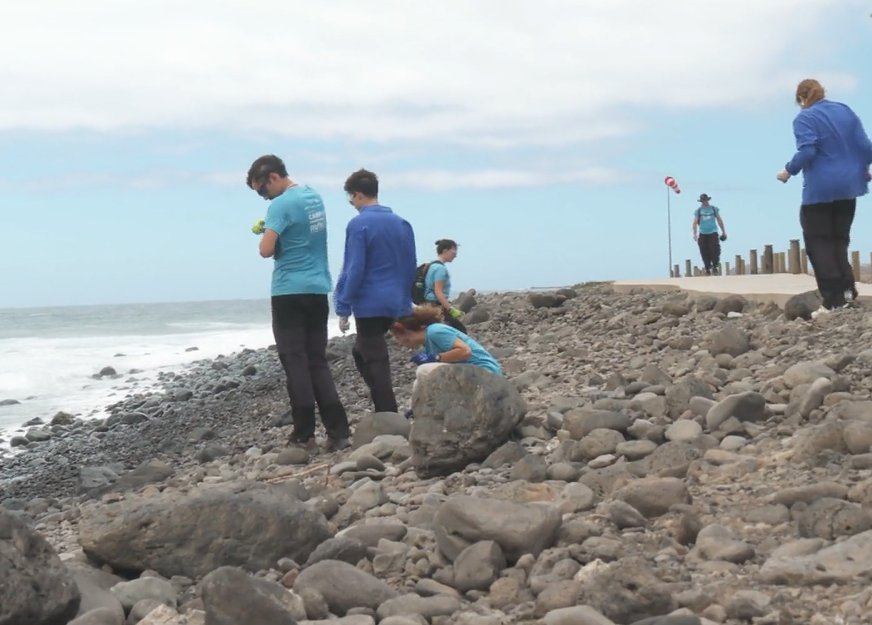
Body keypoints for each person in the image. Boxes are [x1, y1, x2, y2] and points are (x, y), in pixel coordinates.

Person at [246, 154, 351, 452]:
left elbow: (266, 250)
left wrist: (267, 230)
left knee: (295, 362)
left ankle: (304, 435)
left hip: (289, 291)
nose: (263, 197)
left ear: (274, 177)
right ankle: (339, 432)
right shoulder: (313, 196)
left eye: (261, 190)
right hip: (318, 288)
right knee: (317, 361)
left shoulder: (280, 205)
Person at [777, 78, 872, 315]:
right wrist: (861, 169)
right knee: (840, 241)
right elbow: (865, 146)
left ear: (801, 99)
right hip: (849, 186)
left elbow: (808, 150)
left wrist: (788, 170)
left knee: (819, 243)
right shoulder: (845, 110)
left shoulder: (804, 118)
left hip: (820, 190)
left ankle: (833, 299)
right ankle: (848, 293)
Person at [334, 169, 417, 414]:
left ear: (358, 194)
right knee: (361, 351)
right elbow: (410, 263)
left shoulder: (359, 224)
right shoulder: (402, 223)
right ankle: (386, 408)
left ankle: (387, 413)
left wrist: (343, 305)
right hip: (396, 300)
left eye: (350, 198)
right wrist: (405, 299)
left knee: (375, 358)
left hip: (369, 302)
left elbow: (354, 267)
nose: (351, 203)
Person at [390, 306, 502, 417]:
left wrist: (435, 358)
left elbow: (465, 351)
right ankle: (417, 410)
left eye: (397, 336)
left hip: (485, 373)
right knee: (419, 382)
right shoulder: (428, 342)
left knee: (423, 370)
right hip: (469, 373)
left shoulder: (435, 331)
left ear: (407, 330)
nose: (399, 342)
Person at [423, 238, 467, 333]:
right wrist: (450, 309)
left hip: (429, 305)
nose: (455, 255)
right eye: (454, 250)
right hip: (436, 306)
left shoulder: (432, 266)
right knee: (461, 332)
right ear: (445, 250)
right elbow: (438, 291)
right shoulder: (440, 269)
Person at [692, 194, 727, 275]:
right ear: (701, 201)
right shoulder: (698, 211)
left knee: (715, 249)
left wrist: (723, 231)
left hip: (713, 232)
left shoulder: (714, 209)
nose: (705, 202)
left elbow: (719, 220)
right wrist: (694, 234)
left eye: (706, 200)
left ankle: (715, 265)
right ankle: (707, 267)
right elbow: (694, 222)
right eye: (703, 200)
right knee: (703, 251)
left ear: (708, 200)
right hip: (703, 233)